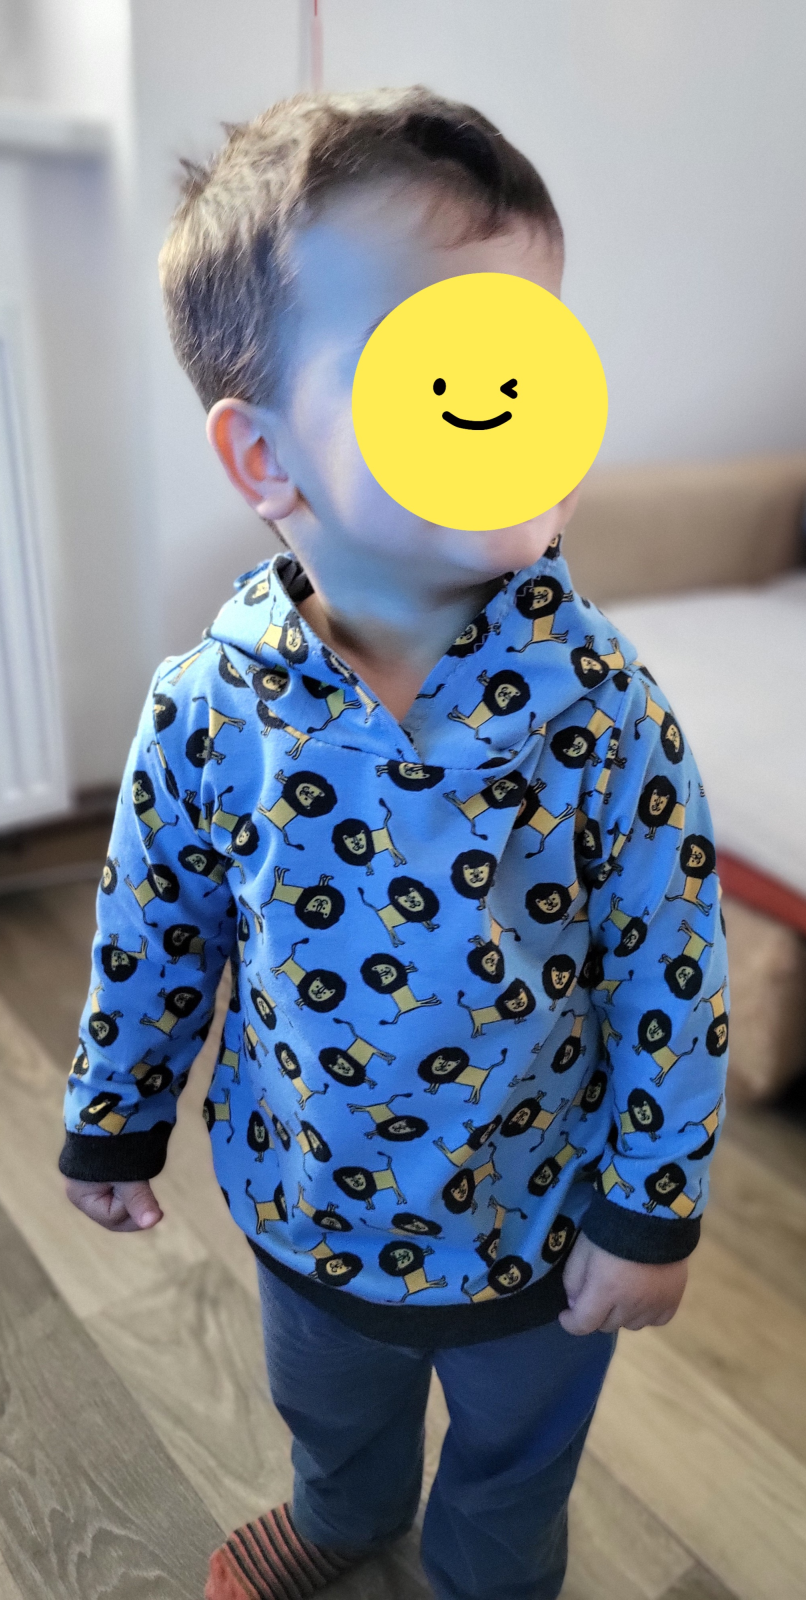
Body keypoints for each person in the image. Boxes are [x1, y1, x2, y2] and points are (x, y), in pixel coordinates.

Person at [59, 88, 729, 1600]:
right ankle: (343, 1515)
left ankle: (488, 1575)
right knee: (331, 1408)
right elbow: (156, 927)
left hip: (537, 1220)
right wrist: (115, 1111)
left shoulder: (605, 710)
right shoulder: (209, 711)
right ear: (264, 459)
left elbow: (672, 968)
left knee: (515, 1461)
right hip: (312, 1199)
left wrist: (650, 1204)